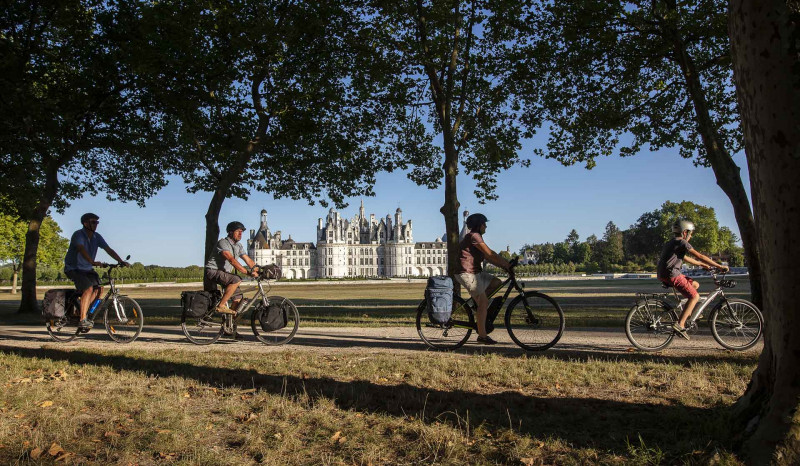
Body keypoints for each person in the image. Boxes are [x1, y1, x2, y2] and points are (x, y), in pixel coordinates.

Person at [657, 219, 729, 340]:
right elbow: (699, 255)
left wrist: (702, 265)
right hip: (672, 274)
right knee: (694, 297)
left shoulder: (671, 242)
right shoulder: (683, 242)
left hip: (664, 273)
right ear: (685, 232)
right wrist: (719, 266)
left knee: (695, 285)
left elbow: (686, 258)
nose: (691, 236)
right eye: (690, 233)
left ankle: (690, 312)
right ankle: (680, 324)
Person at [453, 213, 513, 345]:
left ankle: (478, 305)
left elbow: (489, 257)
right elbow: (490, 253)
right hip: (466, 273)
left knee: (496, 282)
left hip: (475, 272)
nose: (486, 226)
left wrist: (504, 266)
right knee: (484, 302)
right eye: (484, 224)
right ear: (478, 225)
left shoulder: (477, 237)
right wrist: (507, 265)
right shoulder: (474, 236)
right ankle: (482, 336)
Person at [64, 213, 130, 330]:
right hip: (74, 268)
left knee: (99, 289)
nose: (96, 225)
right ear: (85, 223)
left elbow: (108, 249)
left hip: (87, 269)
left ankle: (82, 312)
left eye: (97, 222)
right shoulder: (78, 235)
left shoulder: (96, 237)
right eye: (93, 222)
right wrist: (92, 262)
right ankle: (82, 319)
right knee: (88, 288)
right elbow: (81, 249)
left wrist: (120, 261)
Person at [205, 221, 259, 315]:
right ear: (230, 232)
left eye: (242, 231)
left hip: (225, 274)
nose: (240, 234)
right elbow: (232, 260)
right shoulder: (223, 243)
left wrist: (257, 270)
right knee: (236, 279)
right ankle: (221, 305)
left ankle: (230, 323)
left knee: (238, 298)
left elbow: (248, 260)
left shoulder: (238, 246)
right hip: (213, 271)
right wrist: (248, 273)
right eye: (238, 231)